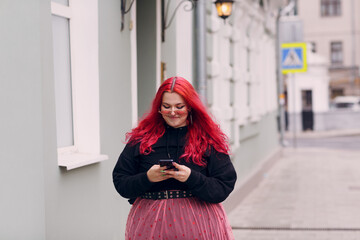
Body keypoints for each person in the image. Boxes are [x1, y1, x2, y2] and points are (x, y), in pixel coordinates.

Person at [113, 76, 237, 240]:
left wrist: (191, 178)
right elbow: (121, 182)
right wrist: (148, 178)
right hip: (148, 225)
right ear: (159, 107)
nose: (172, 112)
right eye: (166, 106)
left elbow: (224, 185)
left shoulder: (207, 140)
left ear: (190, 107)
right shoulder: (141, 139)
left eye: (179, 106)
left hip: (199, 225)